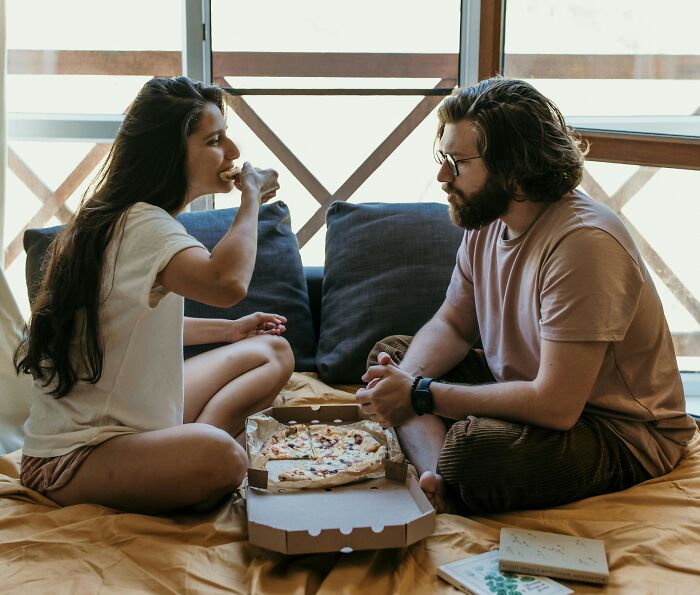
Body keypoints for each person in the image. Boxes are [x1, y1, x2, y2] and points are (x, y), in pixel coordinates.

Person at [356, 77, 697, 515]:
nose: (442, 176)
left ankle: (449, 466)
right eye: (443, 157)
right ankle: (439, 479)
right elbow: (454, 324)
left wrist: (420, 395)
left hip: (617, 429)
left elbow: (556, 405)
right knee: (391, 357)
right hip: (524, 387)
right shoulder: (488, 220)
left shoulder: (583, 244)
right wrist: (403, 383)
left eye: (457, 162)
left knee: (473, 453)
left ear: (513, 168)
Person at [14, 76, 295, 514]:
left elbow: (132, 325)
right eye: (215, 141)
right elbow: (226, 284)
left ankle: (183, 451)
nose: (234, 153)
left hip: (137, 425)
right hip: (74, 457)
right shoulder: (141, 225)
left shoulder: (133, 218)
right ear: (170, 153)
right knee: (224, 458)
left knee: (271, 350)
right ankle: (199, 452)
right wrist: (252, 198)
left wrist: (232, 330)